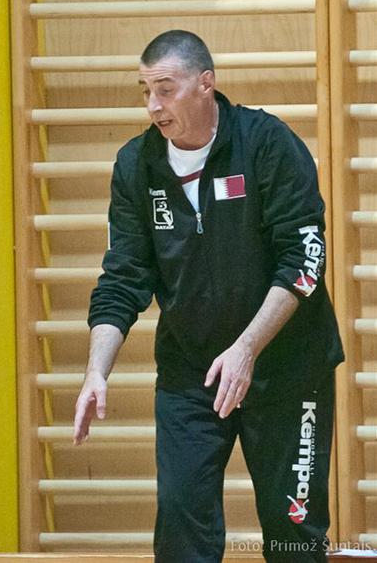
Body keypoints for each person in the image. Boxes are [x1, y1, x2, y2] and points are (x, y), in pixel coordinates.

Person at [73, 30, 344, 563]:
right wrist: (95, 372)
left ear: (205, 84)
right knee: (181, 526)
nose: (153, 106)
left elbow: (304, 261)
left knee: (293, 534)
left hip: (289, 369)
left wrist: (246, 349)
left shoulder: (266, 144)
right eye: (146, 91)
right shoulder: (136, 165)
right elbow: (123, 277)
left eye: (165, 89)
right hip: (192, 373)